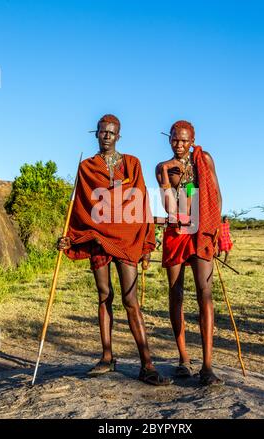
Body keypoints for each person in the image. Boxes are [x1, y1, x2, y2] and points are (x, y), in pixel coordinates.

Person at [58, 114, 171, 386]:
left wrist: (145, 242)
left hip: (127, 238)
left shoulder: (132, 164)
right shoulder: (86, 167)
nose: (106, 136)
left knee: (131, 301)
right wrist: (70, 239)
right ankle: (107, 356)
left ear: (118, 135)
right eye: (102, 132)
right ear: (96, 134)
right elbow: (81, 209)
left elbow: (141, 202)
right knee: (104, 294)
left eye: (111, 132)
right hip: (97, 238)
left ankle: (147, 364)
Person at [155, 120, 223, 386]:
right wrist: (163, 176)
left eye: (184, 140)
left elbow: (216, 194)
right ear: (169, 138)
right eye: (174, 139)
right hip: (176, 233)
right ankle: (183, 359)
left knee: (205, 293)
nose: (179, 144)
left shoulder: (204, 159)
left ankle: (207, 366)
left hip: (201, 230)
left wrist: (213, 227)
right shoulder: (163, 168)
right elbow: (170, 207)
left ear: (192, 139)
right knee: (176, 293)